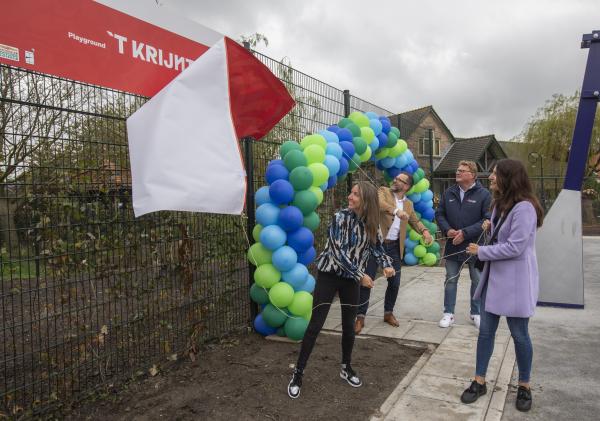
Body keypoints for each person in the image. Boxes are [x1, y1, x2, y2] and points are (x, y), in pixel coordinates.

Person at [287, 181, 395, 399]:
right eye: (351, 193)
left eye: (355, 194)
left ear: (365, 200)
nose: (350, 197)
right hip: (329, 276)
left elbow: (377, 247)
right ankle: (298, 373)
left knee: (348, 325)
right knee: (315, 324)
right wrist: (361, 275)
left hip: (350, 281)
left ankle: (346, 367)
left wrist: (387, 264)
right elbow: (338, 253)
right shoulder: (340, 218)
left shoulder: (372, 222)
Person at [460, 158, 544, 412]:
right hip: (493, 280)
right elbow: (501, 236)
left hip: (516, 282)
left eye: (495, 173)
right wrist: (490, 228)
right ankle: (479, 380)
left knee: (519, 335)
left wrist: (481, 250)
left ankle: (524, 385)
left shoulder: (525, 208)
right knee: (486, 332)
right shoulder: (499, 204)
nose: (491, 177)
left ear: (509, 177)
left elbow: (516, 247)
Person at [354, 172, 433, 334]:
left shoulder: (409, 204)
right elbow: (379, 203)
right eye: (395, 178)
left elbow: (414, 221)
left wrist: (424, 231)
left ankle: (388, 313)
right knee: (367, 280)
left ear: (407, 186)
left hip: (394, 248)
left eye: (399, 180)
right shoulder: (383, 191)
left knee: (395, 283)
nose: (395, 180)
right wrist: (396, 210)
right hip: (375, 244)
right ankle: (360, 317)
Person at [435, 160, 491, 329]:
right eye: (457, 170)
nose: (457, 172)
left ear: (472, 175)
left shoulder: (484, 194)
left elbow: (486, 220)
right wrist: (448, 230)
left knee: (477, 280)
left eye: (462, 170)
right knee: (451, 279)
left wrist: (464, 233)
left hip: (475, 247)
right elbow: (440, 214)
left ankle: (476, 313)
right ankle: (448, 314)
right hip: (453, 245)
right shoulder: (448, 193)